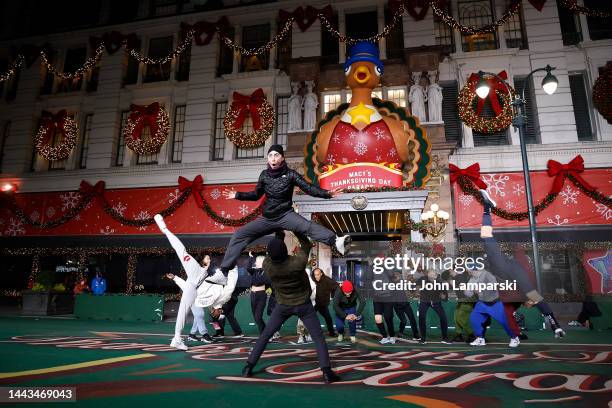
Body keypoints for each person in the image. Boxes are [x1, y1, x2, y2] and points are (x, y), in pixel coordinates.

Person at [220, 145, 351, 275]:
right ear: (268, 159)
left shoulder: (291, 174)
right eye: (270, 156)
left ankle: (336, 241)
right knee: (239, 235)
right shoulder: (264, 175)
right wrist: (238, 195)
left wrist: (327, 193)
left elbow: (309, 188)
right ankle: (224, 271)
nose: (273, 158)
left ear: (282, 158)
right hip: (267, 218)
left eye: (276, 155)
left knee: (307, 226)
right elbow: (256, 195)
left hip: (285, 215)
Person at [242, 231, 340, 384]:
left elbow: (273, 252)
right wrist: (296, 228)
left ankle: (248, 366)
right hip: (303, 305)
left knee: (265, 335)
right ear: (285, 251)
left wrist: (278, 236)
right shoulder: (297, 263)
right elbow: (306, 244)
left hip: (283, 305)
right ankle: (326, 372)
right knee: (318, 337)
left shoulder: (268, 265)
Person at [479, 189, 566, 338]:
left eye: (529, 305)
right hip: (505, 267)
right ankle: (487, 206)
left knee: (486, 236)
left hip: (503, 269)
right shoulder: (529, 291)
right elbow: (543, 306)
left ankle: (487, 206)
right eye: (530, 305)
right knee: (486, 235)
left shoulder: (521, 298)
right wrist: (555, 326)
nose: (528, 306)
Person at [155, 214, 236, 350]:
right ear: (202, 260)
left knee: (188, 312)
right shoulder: (194, 266)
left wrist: (233, 270)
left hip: (197, 293)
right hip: (192, 288)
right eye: (207, 258)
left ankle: (178, 338)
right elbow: (180, 250)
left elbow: (224, 281)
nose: (209, 259)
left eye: (210, 258)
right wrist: (165, 229)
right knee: (181, 250)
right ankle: (184, 337)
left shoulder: (211, 274)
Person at [465, 267, 521, 348]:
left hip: (494, 302)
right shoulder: (472, 279)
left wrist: (481, 289)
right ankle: (480, 339)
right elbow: (468, 293)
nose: (468, 271)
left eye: (470, 269)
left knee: (504, 321)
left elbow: (494, 286)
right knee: (474, 318)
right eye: (468, 270)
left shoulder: (487, 274)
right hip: (481, 303)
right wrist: (468, 290)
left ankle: (514, 338)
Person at [416, 270, 450, 344]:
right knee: (421, 317)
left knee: (443, 317)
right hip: (424, 301)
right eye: (430, 275)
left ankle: (445, 338)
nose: (432, 277)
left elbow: (445, 297)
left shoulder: (440, 282)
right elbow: (415, 287)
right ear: (427, 274)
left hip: (436, 301)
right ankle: (423, 338)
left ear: (436, 276)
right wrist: (417, 289)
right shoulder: (422, 279)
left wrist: (443, 296)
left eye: (434, 275)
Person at [442, 269, 476, 343]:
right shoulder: (455, 279)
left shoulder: (460, 277)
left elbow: (464, 290)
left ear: (449, 276)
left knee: (461, 318)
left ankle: (472, 335)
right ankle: (459, 335)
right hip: (462, 300)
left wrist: (452, 283)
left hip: (467, 300)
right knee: (456, 317)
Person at [391, 271, 420, 341]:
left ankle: (416, 334)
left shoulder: (403, 283)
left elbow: (412, 289)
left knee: (412, 319)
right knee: (403, 321)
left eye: (399, 275)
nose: (399, 276)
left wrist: (415, 289)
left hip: (406, 304)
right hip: (397, 306)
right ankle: (400, 333)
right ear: (394, 277)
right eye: (397, 275)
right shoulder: (391, 284)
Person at [247, 252, 270, 334]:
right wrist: (250, 258)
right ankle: (266, 332)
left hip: (261, 295)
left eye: (256, 261)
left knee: (258, 316)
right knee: (256, 317)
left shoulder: (266, 272)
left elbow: (267, 282)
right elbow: (248, 268)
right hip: (253, 295)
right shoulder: (254, 271)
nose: (255, 262)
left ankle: (263, 335)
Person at [312, 267, 339, 337]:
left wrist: (332, 296)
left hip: (322, 304)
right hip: (313, 303)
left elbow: (336, 286)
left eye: (318, 274)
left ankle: (331, 333)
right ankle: (306, 334)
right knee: (308, 317)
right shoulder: (312, 280)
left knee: (328, 318)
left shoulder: (327, 280)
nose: (316, 276)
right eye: (315, 275)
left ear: (321, 274)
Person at [372, 270, 397, 344]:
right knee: (377, 319)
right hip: (377, 298)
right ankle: (384, 336)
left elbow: (392, 275)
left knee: (388, 317)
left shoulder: (387, 269)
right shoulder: (373, 270)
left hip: (388, 297)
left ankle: (392, 336)